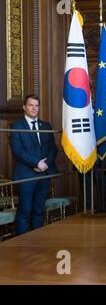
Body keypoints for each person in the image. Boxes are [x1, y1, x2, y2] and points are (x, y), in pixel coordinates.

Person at [10, 94, 58, 235]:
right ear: (24, 107)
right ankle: (22, 243)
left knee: (39, 210)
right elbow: (17, 151)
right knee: (25, 210)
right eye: (31, 105)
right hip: (26, 175)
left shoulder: (46, 125)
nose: (34, 108)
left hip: (44, 173)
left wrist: (45, 164)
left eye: (36, 105)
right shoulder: (16, 126)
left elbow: (53, 148)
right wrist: (36, 163)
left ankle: (38, 240)